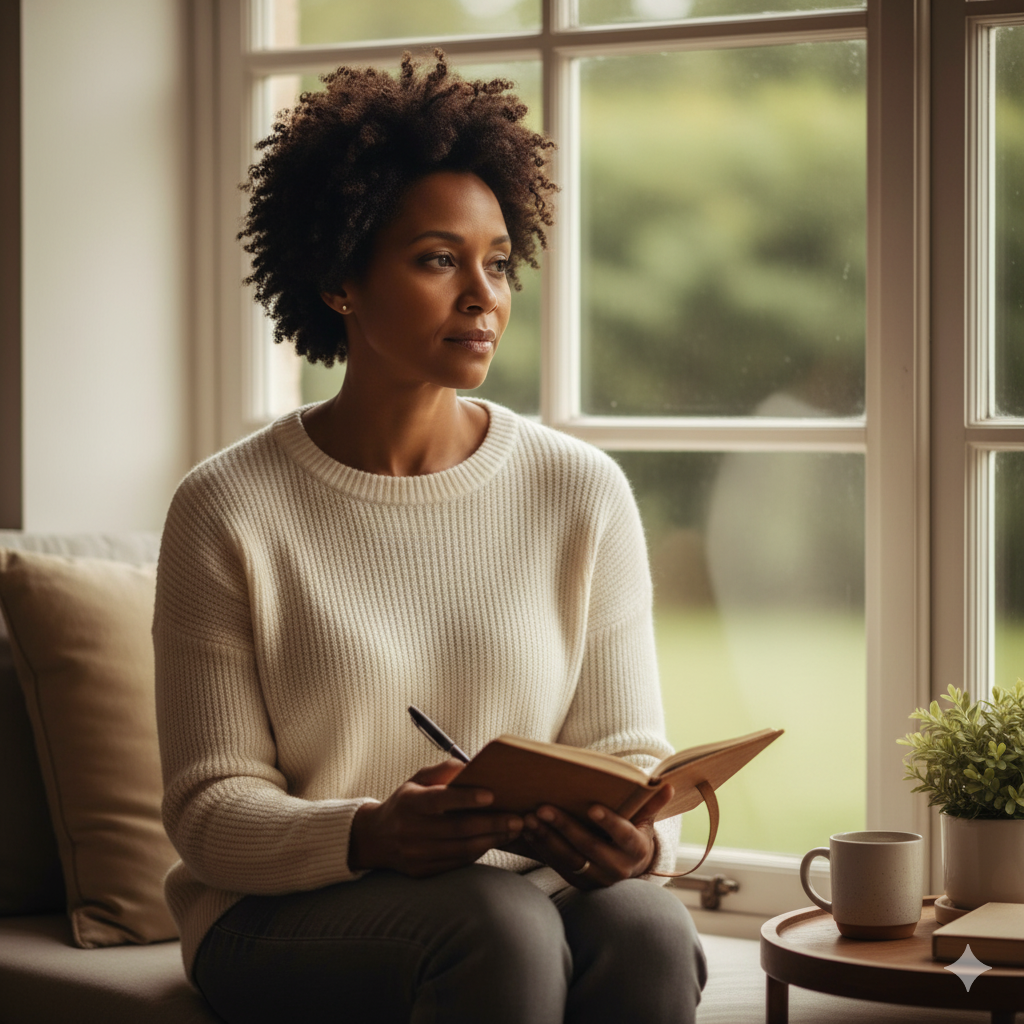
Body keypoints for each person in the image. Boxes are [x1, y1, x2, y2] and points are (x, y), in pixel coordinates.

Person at [154, 51, 707, 1024]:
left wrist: (638, 842)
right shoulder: (227, 507)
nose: (483, 295)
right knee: (495, 923)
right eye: (436, 258)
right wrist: (372, 832)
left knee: (649, 929)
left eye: (496, 261)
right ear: (338, 278)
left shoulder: (579, 490)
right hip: (277, 913)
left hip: (515, 899)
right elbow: (209, 818)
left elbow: (627, 751)